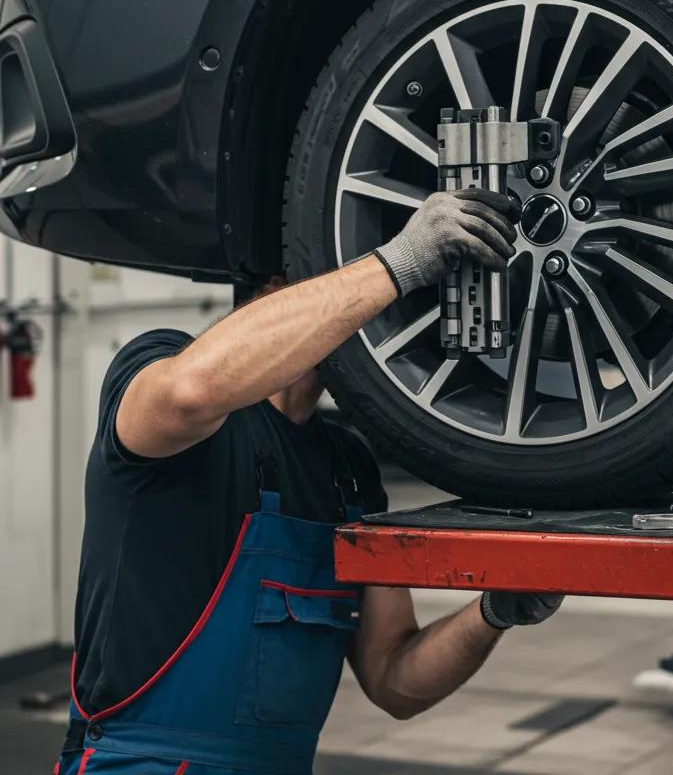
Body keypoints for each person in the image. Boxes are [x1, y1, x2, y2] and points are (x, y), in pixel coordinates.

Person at [58, 188, 563, 775]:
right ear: (286, 285)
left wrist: (491, 614)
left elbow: (393, 678)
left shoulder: (346, 468)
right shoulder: (160, 366)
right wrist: (394, 263)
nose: (382, 309)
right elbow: (188, 393)